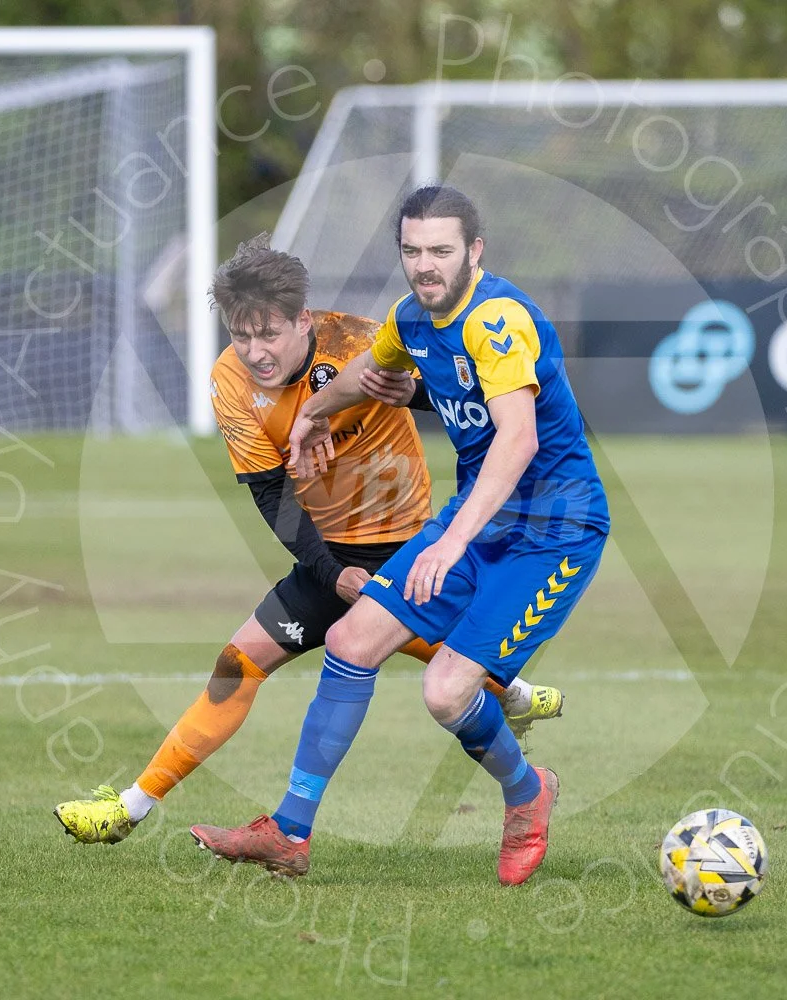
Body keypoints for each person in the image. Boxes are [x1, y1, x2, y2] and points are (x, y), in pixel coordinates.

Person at [53, 235, 564, 845]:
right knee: (236, 666)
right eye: (242, 336)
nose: (255, 351)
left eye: (269, 333)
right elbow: (272, 495)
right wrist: (330, 573)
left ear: (304, 320)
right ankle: (129, 809)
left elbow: (467, 399)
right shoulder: (229, 381)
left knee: (424, 670)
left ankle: (508, 709)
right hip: (324, 553)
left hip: (405, 544)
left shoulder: (362, 341)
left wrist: (399, 399)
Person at [190, 187, 609, 886]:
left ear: (474, 252)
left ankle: (528, 792)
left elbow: (518, 440)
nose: (425, 265)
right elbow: (373, 371)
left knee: (446, 692)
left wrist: (449, 543)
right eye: (412, 250)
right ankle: (290, 833)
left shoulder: (496, 321)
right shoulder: (411, 318)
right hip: (474, 520)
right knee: (352, 642)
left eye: (441, 250)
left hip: (553, 532)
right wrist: (315, 413)